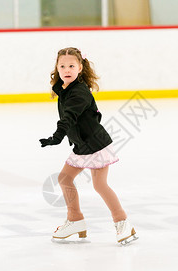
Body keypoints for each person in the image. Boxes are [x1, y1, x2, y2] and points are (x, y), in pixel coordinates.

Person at [39, 47, 138, 245]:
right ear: (57, 68)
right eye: (63, 66)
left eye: (72, 66)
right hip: (82, 144)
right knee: (65, 178)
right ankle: (75, 219)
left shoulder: (79, 93)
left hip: (95, 144)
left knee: (100, 185)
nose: (67, 69)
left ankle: (122, 222)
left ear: (80, 68)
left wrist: (57, 136)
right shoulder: (65, 89)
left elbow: (69, 118)